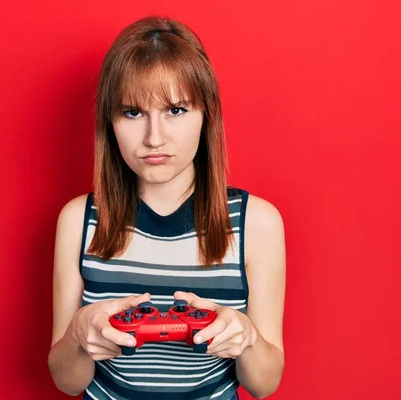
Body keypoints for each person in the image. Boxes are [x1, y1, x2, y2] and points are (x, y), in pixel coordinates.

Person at [48, 15, 286, 400]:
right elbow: (67, 381)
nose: (154, 138)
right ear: (109, 122)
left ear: (206, 114)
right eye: (133, 112)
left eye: (175, 110)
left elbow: (265, 383)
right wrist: (79, 333)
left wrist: (245, 336)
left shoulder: (257, 223)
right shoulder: (78, 220)